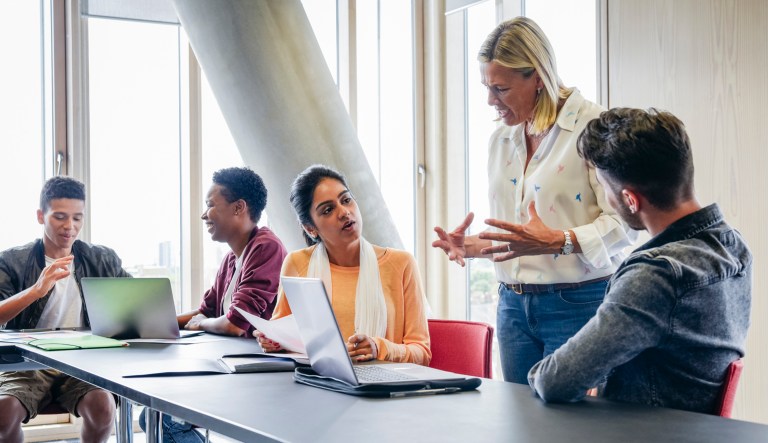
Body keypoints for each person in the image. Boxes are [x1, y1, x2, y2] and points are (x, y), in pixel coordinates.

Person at [432, 17, 635, 383]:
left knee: (569, 419)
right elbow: (523, 236)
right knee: (518, 416)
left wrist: (560, 240)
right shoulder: (501, 138)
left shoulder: (595, 127)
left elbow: (626, 224)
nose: (490, 101)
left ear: (538, 78)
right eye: (487, 87)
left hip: (579, 304)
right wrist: (474, 246)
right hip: (512, 306)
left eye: (501, 89)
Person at [527, 108, 752, 413]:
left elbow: (555, 381)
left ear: (630, 199)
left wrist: (544, 375)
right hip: (695, 426)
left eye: (604, 188)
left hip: (648, 430)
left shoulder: (656, 275)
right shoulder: (733, 245)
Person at [141, 166, 287, 443]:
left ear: (238, 208)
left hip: (259, 374)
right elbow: (205, 312)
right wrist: (149, 323)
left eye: (210, 205)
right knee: (153, 414)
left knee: (165, 419)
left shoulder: (266, 247)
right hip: (229, 365)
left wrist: (202, 324)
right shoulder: (232, 258)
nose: (203, 214)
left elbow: (235, 324)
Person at [256, 165, 431, 365]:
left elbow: (422, 353)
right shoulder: (297, 264)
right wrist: (273, 341)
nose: (344, 212)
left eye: (346, 200)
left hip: (385, 381)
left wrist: (379, 348)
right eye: (328, 210)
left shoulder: (402, 264)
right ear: (310, 228)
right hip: (317, 380)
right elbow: (283, 336)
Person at [0, 176, 129, 443]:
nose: (70, 226)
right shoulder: (12, 261)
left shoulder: (102, 259)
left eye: (77, 218)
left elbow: (137, 303)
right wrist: (36, 290)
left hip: (82, 361)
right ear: (41, 216)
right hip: (28, 363)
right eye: (60, 217)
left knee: (104, 407)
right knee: (3, 413)